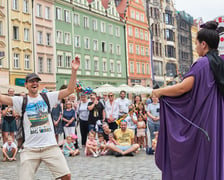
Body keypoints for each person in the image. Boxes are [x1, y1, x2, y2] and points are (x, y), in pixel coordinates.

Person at [152, 21, 224, 180]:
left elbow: (183, 88)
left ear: (204, 44)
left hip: (204, 123)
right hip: (217, 121)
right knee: (214, 156)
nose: (196, 47)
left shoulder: (202, 63)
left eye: (196, 43)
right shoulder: (220, 62)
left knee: (203, 156)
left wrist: (159, 91)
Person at [0, 57, 80, 180]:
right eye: (31, 81)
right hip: (30, 149)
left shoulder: (48, 97)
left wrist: (74, 71)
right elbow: (1, 98)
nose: (34, 83)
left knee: (66, 176)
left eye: (36, 81)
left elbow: (69, 90)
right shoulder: (21, 100)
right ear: (26, 84)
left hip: (50, 147)